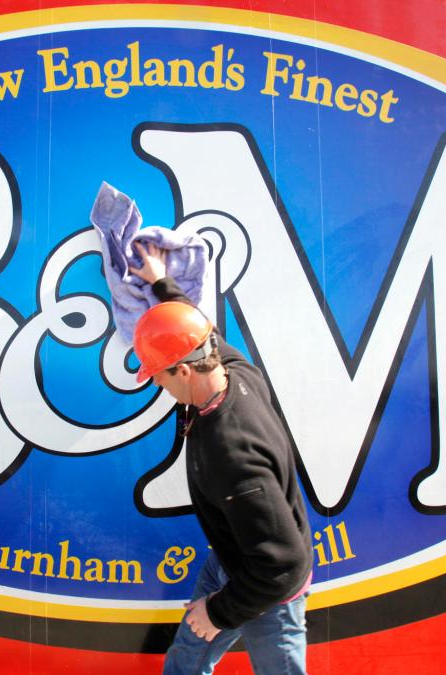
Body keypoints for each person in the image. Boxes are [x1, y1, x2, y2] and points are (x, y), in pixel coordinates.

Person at [131, 242, 313, 675]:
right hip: (231, 560)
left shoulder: (231, 455)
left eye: (158, 374)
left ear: (185, 370)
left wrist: (219, 612)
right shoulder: (233, 369)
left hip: (268, 592)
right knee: (184, 662)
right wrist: (160, 281)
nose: (157, 384)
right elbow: (196, 330)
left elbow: (283, 565)